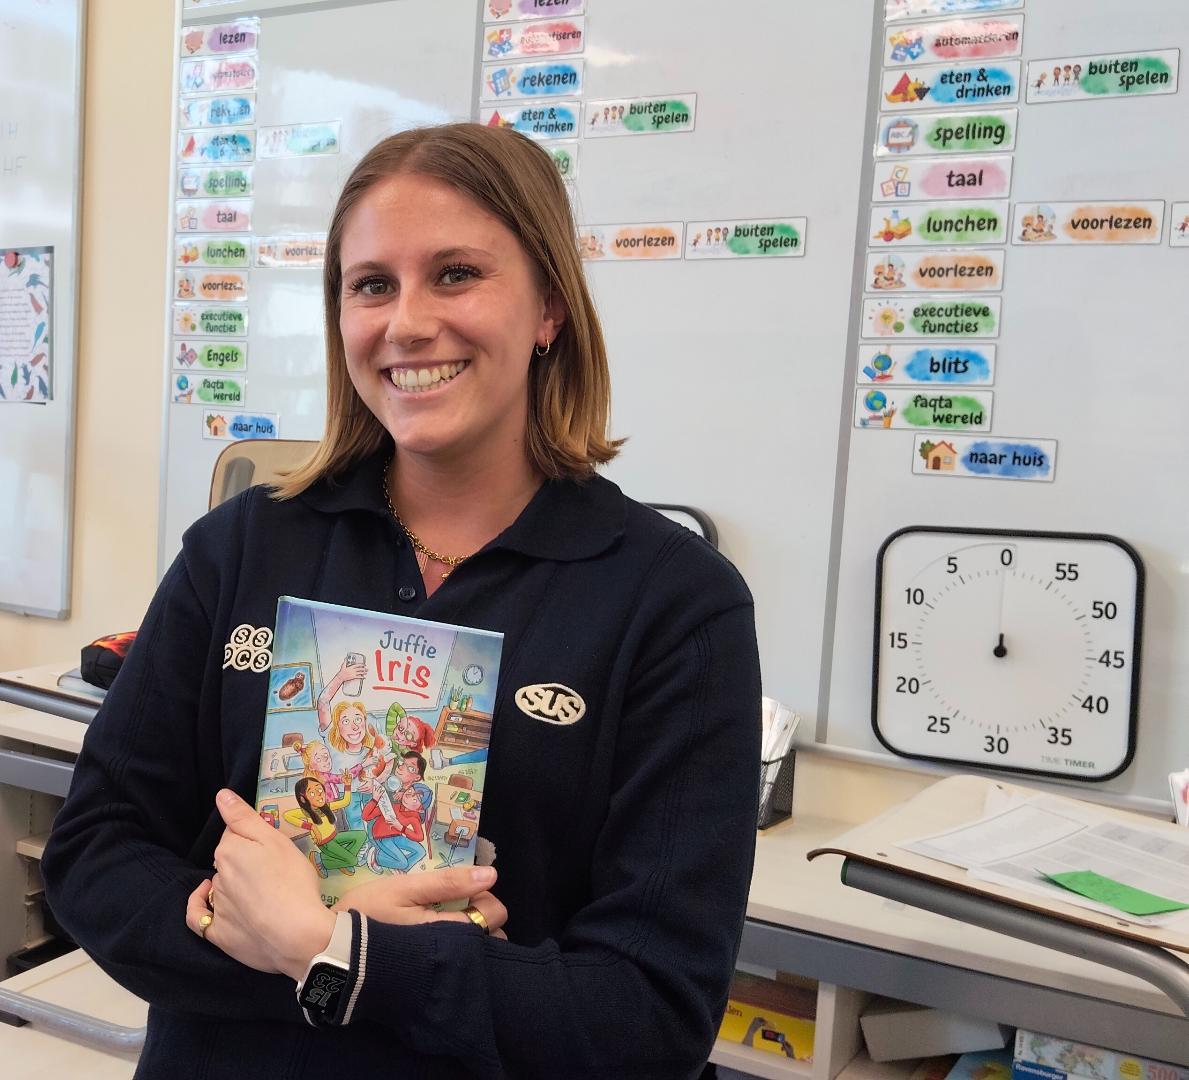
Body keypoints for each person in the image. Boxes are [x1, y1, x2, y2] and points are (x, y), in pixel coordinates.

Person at [43, 122, 760, 1078]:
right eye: (371, 284)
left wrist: (334, 952)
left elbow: (650, 1013)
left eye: (456, 273)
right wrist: (260, 930)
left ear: (549, 307)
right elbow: (95, 850)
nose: (407, 322)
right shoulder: (243, 548)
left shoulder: (674, 605)